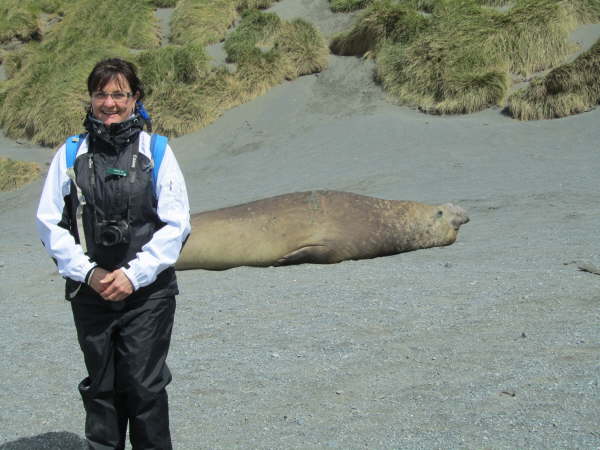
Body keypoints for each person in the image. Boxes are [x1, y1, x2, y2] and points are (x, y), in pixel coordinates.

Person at [36, 58, 191, 450]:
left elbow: (177, 225)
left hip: (148, 295)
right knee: (101, 387)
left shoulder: (156, 150)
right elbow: (48, 223)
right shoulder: (71, 154)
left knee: (145, 386)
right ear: (90, 99)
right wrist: (88, 273)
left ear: (135, 98)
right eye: (101, 94)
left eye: (119, 94)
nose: (109, 103)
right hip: (92, 292)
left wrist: (133, 275)